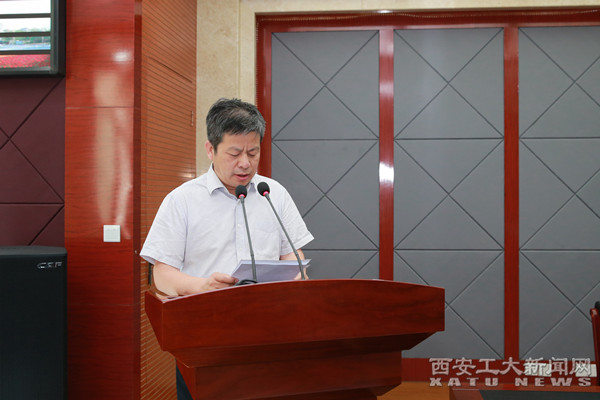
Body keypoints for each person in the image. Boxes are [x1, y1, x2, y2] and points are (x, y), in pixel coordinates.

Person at [140, 98, 313, 400]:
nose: (245, 163)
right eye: (234, 153)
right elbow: (161, 274)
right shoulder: (182, 201)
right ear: (211, 149)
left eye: (253, 152)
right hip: (204, 337)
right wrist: (202, 287)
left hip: (269, 333)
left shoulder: (273, 194)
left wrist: (298, 274)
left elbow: (292, 253)